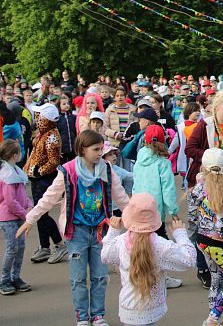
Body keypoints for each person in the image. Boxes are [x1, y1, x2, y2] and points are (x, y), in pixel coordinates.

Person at [18, 129, 129, 326]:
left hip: (100, 233)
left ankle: (98, 315)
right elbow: (49, 197)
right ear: (82, 149)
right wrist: (30, 219)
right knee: (78, 279)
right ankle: (82, 317)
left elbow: (122, 198)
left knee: (100, 276)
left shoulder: (107, 170)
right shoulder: (68, 171)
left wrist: (136, 221)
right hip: (76, 232)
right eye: (96, 149)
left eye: (101, 148)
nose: (99, 152)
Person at [101, 193, 195, 326]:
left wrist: (113, 230)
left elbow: (105, 256)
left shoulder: (121, 242)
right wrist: (180, 233)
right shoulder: (160, 245)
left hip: (129, 308)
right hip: (151, 308)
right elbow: (189, 259)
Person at [188, 148, 223, 325]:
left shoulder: (198, 188)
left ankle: (215, 319)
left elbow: (191, 215)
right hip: (219, 242)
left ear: (203, 166)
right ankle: (212, 318)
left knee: (216, 279)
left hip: (202, 241)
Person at [22, 103, 67, 264]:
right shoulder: (43, 133)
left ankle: (59, 244)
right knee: (40, 213)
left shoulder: (51, 137)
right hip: (36, 179)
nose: (36, 118)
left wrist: (38, 171)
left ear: (45, 119)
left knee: (42, 212)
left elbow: (54, 161)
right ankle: (44, 246)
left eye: (39, 116)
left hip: (43, 179)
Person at [186, 91, 223, 188]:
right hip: (206, 180)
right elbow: (189, 149)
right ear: (217, 107)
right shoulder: (205, 125)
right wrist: (212, 158)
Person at [133, 125, 179, 241]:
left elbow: (135, 183)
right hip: (156, 210)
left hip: (138, 206)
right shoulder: (163, 163)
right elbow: (168, 189)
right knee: (160, 241)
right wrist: (173, 211)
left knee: (141, 239)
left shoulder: (139, 160)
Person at [0, 139, 33, 295]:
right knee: (12, 248)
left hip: (18, 216)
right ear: (14, 155)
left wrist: (29, 204)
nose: (21, 154)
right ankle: (4, 280)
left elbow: (22, 196)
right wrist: (26, 213)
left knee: (20, 248)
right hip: (8, 218)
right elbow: (10, 201)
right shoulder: (7, 175)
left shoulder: (14, 172)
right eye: (19, 151)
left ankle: (15, 277)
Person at [57, 94, 77, 163]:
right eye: (64, 104)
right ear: (59, 105)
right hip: (62, 148)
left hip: (73, 146)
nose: (66, 105)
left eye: (68, 103)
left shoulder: (73, 117)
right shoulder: (57, 118)